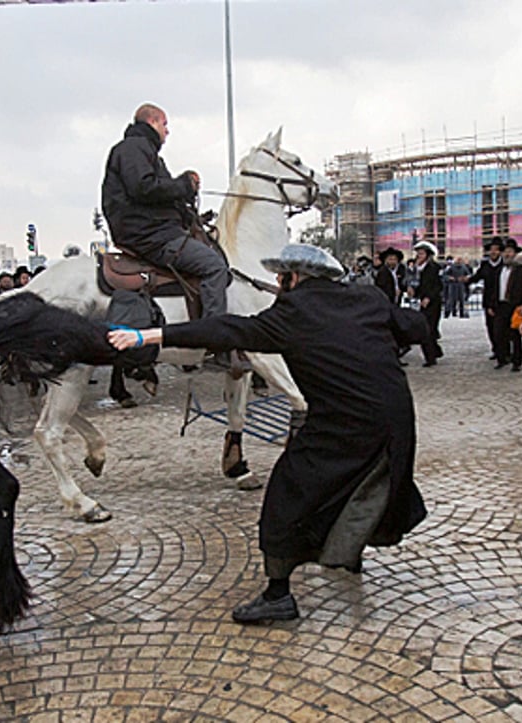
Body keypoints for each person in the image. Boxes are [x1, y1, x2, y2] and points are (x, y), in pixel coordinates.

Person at [108, 244, 429, 623]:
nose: (277, 284)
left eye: (281, 277)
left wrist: (150, 337)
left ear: (295, 278)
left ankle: (278, 595)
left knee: (286, 494)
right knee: (359, 480)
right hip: (395, 415)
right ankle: (348, 553)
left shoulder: (292, 312)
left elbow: (227, 328)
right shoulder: (367, 297)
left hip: (343, 422)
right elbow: (417, 327)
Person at [101, 105, 227, 332]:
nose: (167, 131)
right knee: (214, 266)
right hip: (153, 237)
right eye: (165, 124)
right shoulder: (134, 148)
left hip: (152, 232)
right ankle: (214, 337)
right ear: (152, 122)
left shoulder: (142, 151)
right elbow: (144, 187)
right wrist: (183, 184)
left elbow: (160, 195)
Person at [492, 239, 522, 372]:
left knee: (515, 335)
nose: (507, 254)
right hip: (500, 306)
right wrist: (492, 305)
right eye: (505, 252)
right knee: (498, 333)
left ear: (515, 254)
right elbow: (493, 289)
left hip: (515, 306)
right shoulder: (497, 270)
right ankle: (502, 358)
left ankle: (517, 361)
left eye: (510, 252)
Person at [466, 237, 505, 359]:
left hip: (502, 301)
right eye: (491, 250)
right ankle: (496, 349)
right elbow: (477, 276)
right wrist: (467, 280)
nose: (493, 252)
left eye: (496, 250)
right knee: (491, 327)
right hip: (488, 300)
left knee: (502, 329)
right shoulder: (485, 265)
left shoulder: (504, 265)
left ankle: (504, 352)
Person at [412, 241, 443, 366]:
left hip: (433, 302)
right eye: (418, 253)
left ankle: (431, 357)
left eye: (422, 253)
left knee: (428, 329)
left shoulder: (433, 267)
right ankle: (434, 352)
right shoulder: (416, 268)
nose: (419, 255)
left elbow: (437, 286)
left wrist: (429, 297)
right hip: (422, 301)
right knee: (426, 329)